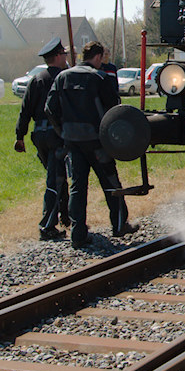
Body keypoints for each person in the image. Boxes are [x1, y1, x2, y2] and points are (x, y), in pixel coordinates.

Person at [45, 40, 138, 247]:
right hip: (97, 141)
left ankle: (77, 234)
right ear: (97, 57)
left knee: (78, 187)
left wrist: (63, 131)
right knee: (111, 183)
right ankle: (119, 224)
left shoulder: (62, 77)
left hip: (72, 141)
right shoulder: (100, 77)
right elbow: (114, 109)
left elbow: (50, 109)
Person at [14, 36, 70, 241]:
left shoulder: (37, 80)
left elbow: (25, 110)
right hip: (57, 136)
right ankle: (47, 226)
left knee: (59, 175)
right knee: (55, 179)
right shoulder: (65, 78)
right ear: (57, 56)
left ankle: (66, 216)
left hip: (39, 135)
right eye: (64, 54)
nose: (66, 57)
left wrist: (20, 136)